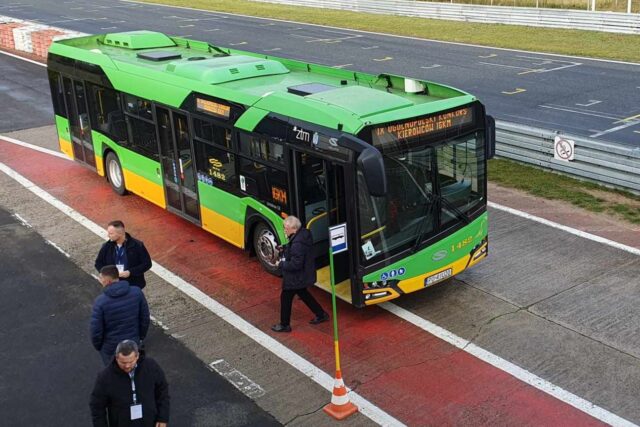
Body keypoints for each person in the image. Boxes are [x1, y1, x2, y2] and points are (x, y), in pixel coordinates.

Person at [90, 340, 169, 427]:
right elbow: (97, 406)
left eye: (130, 362)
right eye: (123, 362)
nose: (127, 366)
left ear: (137, 356)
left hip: (150, 422)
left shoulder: (151, 367)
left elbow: (162, 391)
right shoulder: (105, 377)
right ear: (116, 358)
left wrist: (162, 418)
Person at [271, 215, 329, 333]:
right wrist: (285, 247)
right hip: (302, 275)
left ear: (294, 229)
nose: (284, 230)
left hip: (295, 277)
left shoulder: (297, 244)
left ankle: (285, 324)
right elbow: (296, 249)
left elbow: (296, 264)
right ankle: (321, 314)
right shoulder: (303, 234)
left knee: (285, 298)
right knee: (303, 293)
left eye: (286, 228)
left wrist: (281, 264)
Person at [91, 265, 150, 365]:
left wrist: (100, 347)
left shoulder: (100, 302)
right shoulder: (137, 292)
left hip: (111, 348)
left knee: (115, 375)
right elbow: (144, 318)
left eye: (101, 278)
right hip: (133, 342)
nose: (100, 280)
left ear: (107, 281)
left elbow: (96, 331)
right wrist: (140, 337)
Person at [95, 220, 152, 289]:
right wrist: (107, 275)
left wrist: (130, 272)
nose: (108, 235)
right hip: (113, 284)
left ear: (120, 233)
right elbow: (98, 263)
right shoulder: (106, 246)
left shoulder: (137, 245)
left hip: (133, 285)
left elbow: (147, 263)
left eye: (111, 233)